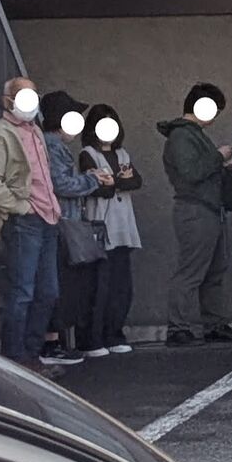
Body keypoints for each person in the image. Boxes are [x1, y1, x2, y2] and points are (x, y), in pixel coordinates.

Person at [159, 83, 232, 347]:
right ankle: (178, 327)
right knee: (192, 271)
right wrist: (218, 157)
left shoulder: (190, 135)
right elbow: (191, 172)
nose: (215, 116)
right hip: (196, 209)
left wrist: (222, 162)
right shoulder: (181, 136)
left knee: (214, 270)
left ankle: (213, 324)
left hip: (207, 208)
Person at [0, 77, 63, 372]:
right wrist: (20, 207)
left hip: (48, 217)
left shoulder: (35, 131)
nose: (30, 103)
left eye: (34, 96)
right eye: (23, 96)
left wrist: (53, 206)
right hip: (24, 220)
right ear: (7, 100)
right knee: (22, 292)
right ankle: (15, 360)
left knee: (48, 292)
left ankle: (32, 356)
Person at [39, 90, 105, 366]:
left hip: (55, 221)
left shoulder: (47, 143)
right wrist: (93, 180)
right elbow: (61, 184)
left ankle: (54, 342)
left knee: (57, 283)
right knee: (58, 284)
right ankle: (51, 343)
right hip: (60, 221)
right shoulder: (53, 146)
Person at [79, 105, 142, 356]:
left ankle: (115, 333)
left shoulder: (123, 153)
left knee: (121, 285)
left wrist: (112, 181)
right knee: (98, 285)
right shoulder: (87, 154)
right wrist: (118, 181)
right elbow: (97, 188)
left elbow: (136, 181)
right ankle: (93, 339)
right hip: (100, 226)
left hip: (124, 227)